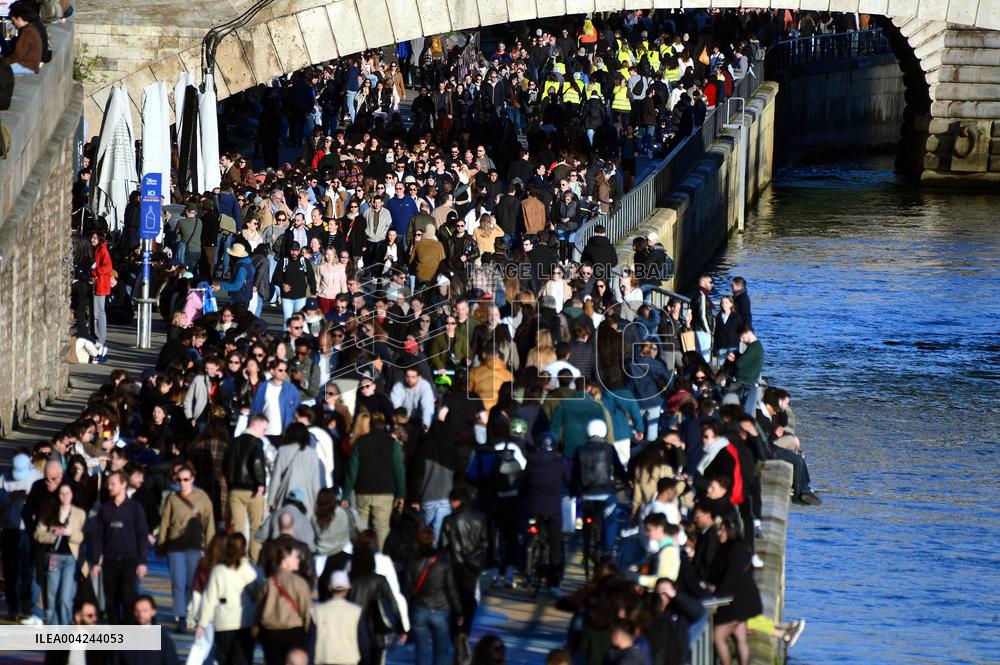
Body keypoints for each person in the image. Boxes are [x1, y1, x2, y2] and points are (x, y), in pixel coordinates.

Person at [158, 462, 214, 632]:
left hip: (195, 545)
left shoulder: (202, 497)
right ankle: (180, 616)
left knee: (192, 582)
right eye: (179, 479)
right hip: (175, 545)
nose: (182, 483)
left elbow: (209, 523)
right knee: (178, 582)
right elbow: (165, 522)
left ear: (193, 479)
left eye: (186, 479)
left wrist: (210, 548)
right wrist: (161, 544)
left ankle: (190, 612)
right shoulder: (172, 498)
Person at [91, 470, 149, 625]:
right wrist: (96, 562)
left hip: (129, 560)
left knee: (127, 597)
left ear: (123, 484)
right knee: (110, 601)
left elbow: (142, 535)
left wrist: (142, 561)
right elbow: (97, 537)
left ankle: (129, 636)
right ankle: (116, 638)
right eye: (108, 484)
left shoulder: (135, 508)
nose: (109, 487)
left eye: (113, 484)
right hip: (109, 560)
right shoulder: (104, 509)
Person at [342, 412, 406, 549]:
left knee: (361, 528)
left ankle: (361, 555)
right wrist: (401, 494)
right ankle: (379, 558)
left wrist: (346, 495)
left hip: (363, 491)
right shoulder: (393, 444)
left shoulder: (360, 442)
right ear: (384, 426)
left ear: (370, 425)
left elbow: (351, 471)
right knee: (382, 530)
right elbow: (399, 471)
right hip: (385, 493)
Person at [196, 534, 261, 665]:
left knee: (224, 659)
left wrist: (202, 624)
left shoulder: (218, 570)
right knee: (244, 658)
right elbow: (260, 595)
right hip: (246, 620)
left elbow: (209, 599)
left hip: (224, 621)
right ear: (245, 548)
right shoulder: (252, 570)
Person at [404, 527, 464, 665]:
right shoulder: (443, 562)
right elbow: (451, 589)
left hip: (419, 608)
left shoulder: (412, 561)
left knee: (422, 652)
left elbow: (407, 589)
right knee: (441, 651)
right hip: (441, 609)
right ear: (433, 540)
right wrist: (459, 611)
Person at [709, 520, 762, 665]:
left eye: (722, 530)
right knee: (740, 637)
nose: (719, 533)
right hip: (746, 598)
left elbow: (729, 579)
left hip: (736, 601)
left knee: (718, 636)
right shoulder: (740, 548)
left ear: (729, 531)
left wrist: (716, 597)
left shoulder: (733, 551)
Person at [33, 483, 85, 625]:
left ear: (72, 495)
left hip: (70, 559)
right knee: (51, 597)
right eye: (62, 493)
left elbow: (81, 537)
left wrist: (70, 533)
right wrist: (53, 534)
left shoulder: (79, 513)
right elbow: (38, 534)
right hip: (53, 557)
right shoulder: (49, 511)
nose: (65, 496)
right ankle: (53, 634)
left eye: (67, 493)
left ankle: (65, 630)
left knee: (65, 598)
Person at [438, 487, 487, 631]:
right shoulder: (480, 518)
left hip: (454, 566)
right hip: (473, 567)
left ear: (456, 501)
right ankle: (466, 628)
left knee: (455, 599)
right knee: (470, 598)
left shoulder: (449, 520)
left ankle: (457, 629)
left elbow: (444, 547)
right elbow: (485, 543)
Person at [257, 543, 312, 665]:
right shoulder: (299, 583)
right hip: (294, 633)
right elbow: (306, 611)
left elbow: (259, 609)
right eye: (295, 557)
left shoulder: (268, 583)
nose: (298, 560)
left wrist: (256, 631)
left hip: (270, 633)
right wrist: (309, 633)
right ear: (285, 561)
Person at [225, 413, 269, 562]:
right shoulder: (256, 443)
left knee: (237, 528)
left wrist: (230, 483)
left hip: (235, 490)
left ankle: (237, 559)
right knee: (255, 528)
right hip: (253, 490)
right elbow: (257, 462)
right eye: (264, 429)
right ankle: (254, 560)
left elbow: (226, 465)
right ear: (255, 425)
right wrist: (261, 483)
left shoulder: (234, 441)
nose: (265, 433)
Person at [313, 570, 366, 665]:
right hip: (348, 660)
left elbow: (312, 640)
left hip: (324, 659)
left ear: (330, 587)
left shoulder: (318, 611)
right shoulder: (355, 611)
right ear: (347, 588)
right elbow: (363, 641)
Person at [119, 596, 180, 665]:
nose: (141, 615)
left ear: (153, 612)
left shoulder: (163, 639)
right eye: (137, 611)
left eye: (145, 610)